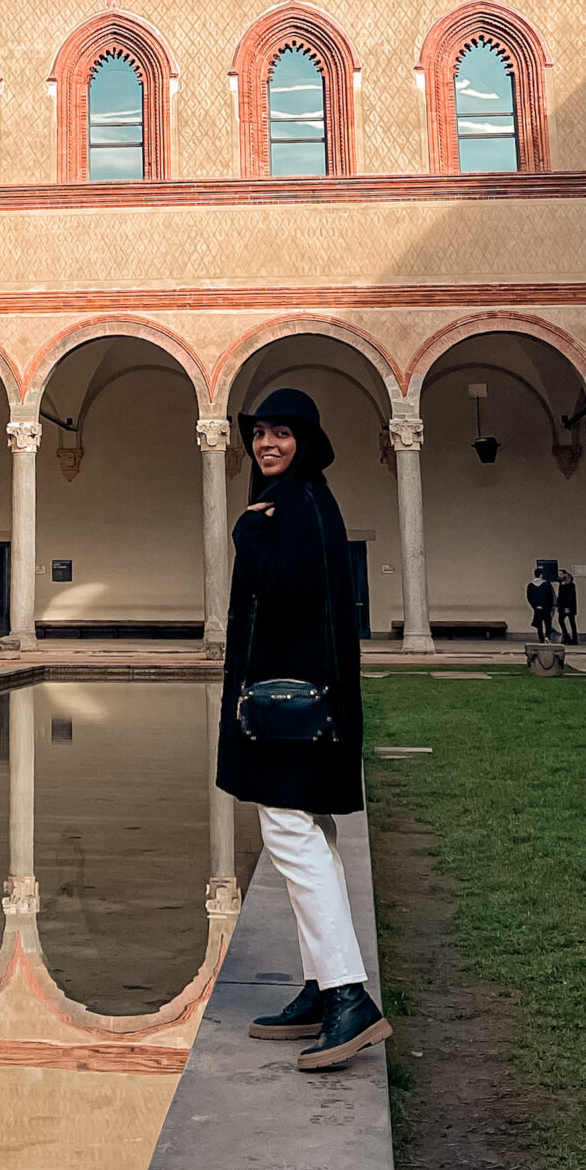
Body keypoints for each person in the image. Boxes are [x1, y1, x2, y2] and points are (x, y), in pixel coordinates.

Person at [216, 386, 392, 1072]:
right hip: (302, 705)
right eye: (259, 433)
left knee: (290, 833)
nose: (267, 444)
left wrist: (246, 535)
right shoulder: (301, 499)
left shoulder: (292, 504)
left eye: (281, 433)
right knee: (308, 833)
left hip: (292, 710)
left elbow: (287, 591)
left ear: (307, 441)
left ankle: (349, 996)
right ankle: (322, 988)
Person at [526, 566, 556, 640]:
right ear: (541, 575)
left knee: (539, 624)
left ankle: (541, 638)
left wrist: (535, 606)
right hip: (546, 607)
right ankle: (547, 636)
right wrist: (551, 606)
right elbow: (550, 597)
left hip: (537, 607)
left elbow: (529, 597)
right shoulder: (546, 585)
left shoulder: (530, 585)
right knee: (547, 623)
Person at [556, 569, 578, 643]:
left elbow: (569, 597)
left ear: (565, 574)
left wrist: (567, 607)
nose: (560, 576)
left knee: (571, 621)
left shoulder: (570, 585)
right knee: (561, 620)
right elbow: (560, 595)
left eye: (561, 574)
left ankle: (574, 638)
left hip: (568, 606)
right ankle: (566, 637)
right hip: (562, 606)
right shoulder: (561, 584)